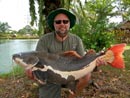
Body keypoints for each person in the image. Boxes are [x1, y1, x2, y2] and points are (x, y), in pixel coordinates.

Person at [26, 8, 105, 98]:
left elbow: (83, 62)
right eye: (58, 22)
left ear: (69, 24)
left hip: (73, 75)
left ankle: (72, 96)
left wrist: (96, 64)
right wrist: (33, 73)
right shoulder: (44, 40)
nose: (62, 24)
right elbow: (38, 62)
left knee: (86, 75)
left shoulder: (76, 40)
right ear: (54, 24)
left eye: (65, 21)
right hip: (51, 77)